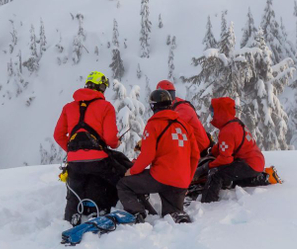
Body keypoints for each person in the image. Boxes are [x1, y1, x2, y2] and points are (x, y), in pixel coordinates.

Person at [117, 89, 200, 223]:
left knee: (124, 185)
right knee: (172, 216)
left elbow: (147, 156)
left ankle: (137, 213)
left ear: (153, 106)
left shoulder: (153, 124)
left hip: (161, 177)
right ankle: (179, 221)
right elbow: (195, 156)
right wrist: (186, 181)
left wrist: (131, 171)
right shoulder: (185, 126)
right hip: (181, 181)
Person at [54, 71, 122, 224]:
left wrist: (75, 152)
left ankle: (69, 217)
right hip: (99, 160)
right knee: (119, 180)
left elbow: (58, 135)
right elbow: (111, 139)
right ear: (102, 87)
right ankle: (106, 209)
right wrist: (116, 144)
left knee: (74, 190)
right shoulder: (106, 107)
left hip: (74, 162)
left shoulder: (68, 107)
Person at [201, 97, 266, 203]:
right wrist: (212, 152)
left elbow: (225, 159)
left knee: (216, 174)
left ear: (220, 112)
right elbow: (225, 145)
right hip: (255, 161)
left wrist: (207, 166)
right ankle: (255, 179)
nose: (211, 115)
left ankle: (208, 202)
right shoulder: (234, 122)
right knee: (228, 172)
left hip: (249, 164)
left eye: (213, 112)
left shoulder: (228, 130)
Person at [156, 80, 211, 155]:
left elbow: (171, 127)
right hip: (190, 149)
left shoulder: (183, 108)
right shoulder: (172, 106)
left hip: (200, 151)